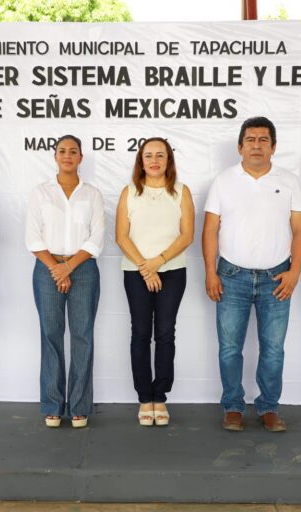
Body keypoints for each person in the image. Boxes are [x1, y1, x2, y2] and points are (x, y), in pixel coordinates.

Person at [202, 116, 301, 432]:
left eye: (264, 140)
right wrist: (211, 272)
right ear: (240, 146)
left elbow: (300, 230)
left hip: (276, 278)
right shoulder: (224, 181)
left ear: (274, 147)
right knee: (230, 347)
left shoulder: (288, 181)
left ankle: (269, 408)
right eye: (250, 139)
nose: (257, 145)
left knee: (273, 348)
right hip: (231, 275)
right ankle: (233, 406)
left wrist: (295, 274)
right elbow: (210, 229)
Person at [25, 135, 105, 429]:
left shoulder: (92, 194)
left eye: (73, 151)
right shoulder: (40, 193)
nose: (67, 155)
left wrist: (68, 267)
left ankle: (80, 406)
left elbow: (96, 238)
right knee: (51, 335)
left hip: (83, 268)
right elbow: (32, 237)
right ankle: (53, 404)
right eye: (62, 151)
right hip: (47, 267)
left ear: (81, 157)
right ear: (55, 156)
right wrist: (56, 269)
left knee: (83, 336)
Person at [115, 137, 195, 427]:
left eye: (160, 155)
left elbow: (187, 235)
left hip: (172, 271)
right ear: (140, 160)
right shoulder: (129, 193)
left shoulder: (181, 192)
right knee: (140, 333)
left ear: (169, 160)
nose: (154, 160)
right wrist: (145, 268)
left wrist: (157, 263)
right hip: (135, 272)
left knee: (165, 333)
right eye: (148, 155)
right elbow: (121, 235)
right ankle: (143, 397)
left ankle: (159, 396)